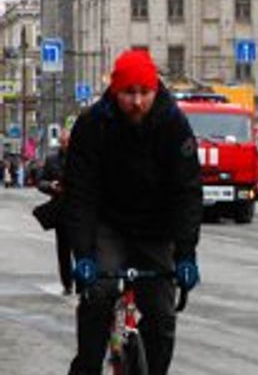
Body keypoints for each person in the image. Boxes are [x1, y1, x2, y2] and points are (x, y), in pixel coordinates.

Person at [64, 50, 203, 375]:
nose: (137, 101)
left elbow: (187, 192)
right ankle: (86, 367)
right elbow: (80, 194)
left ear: (156, 89)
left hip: (156, 226)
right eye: (129, 93)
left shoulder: (173, 124)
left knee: (161, 314)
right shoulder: (93, 124)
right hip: (107, 222)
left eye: (145, 92)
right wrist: (83, 253)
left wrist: (185, 254)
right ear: (115, 91)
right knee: (98, 295)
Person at [37, 128, 73, 295]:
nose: (66, 145)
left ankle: (83, 284)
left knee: (83, 250)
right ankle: (67, 283)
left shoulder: (83, 157)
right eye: (63, 142)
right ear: (59, 142)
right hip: (61, 210)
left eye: (68, 142)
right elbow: (41, 182)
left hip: (80, 211)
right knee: (63, 251)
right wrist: (51, 186)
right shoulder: (52, 159)